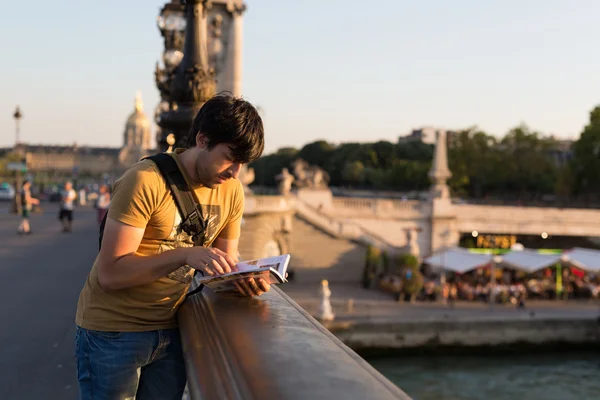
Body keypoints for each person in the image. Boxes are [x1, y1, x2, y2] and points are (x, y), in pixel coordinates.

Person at [74, 94, 270, 400]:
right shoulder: (144, 181)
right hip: (113, 332)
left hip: (176, 329)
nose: (236, 172)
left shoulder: (232, 192)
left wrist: (243, 280)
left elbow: (223, 265)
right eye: (231, 157)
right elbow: (110, 274)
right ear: (202, 140)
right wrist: (185, 255)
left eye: (244, 163)